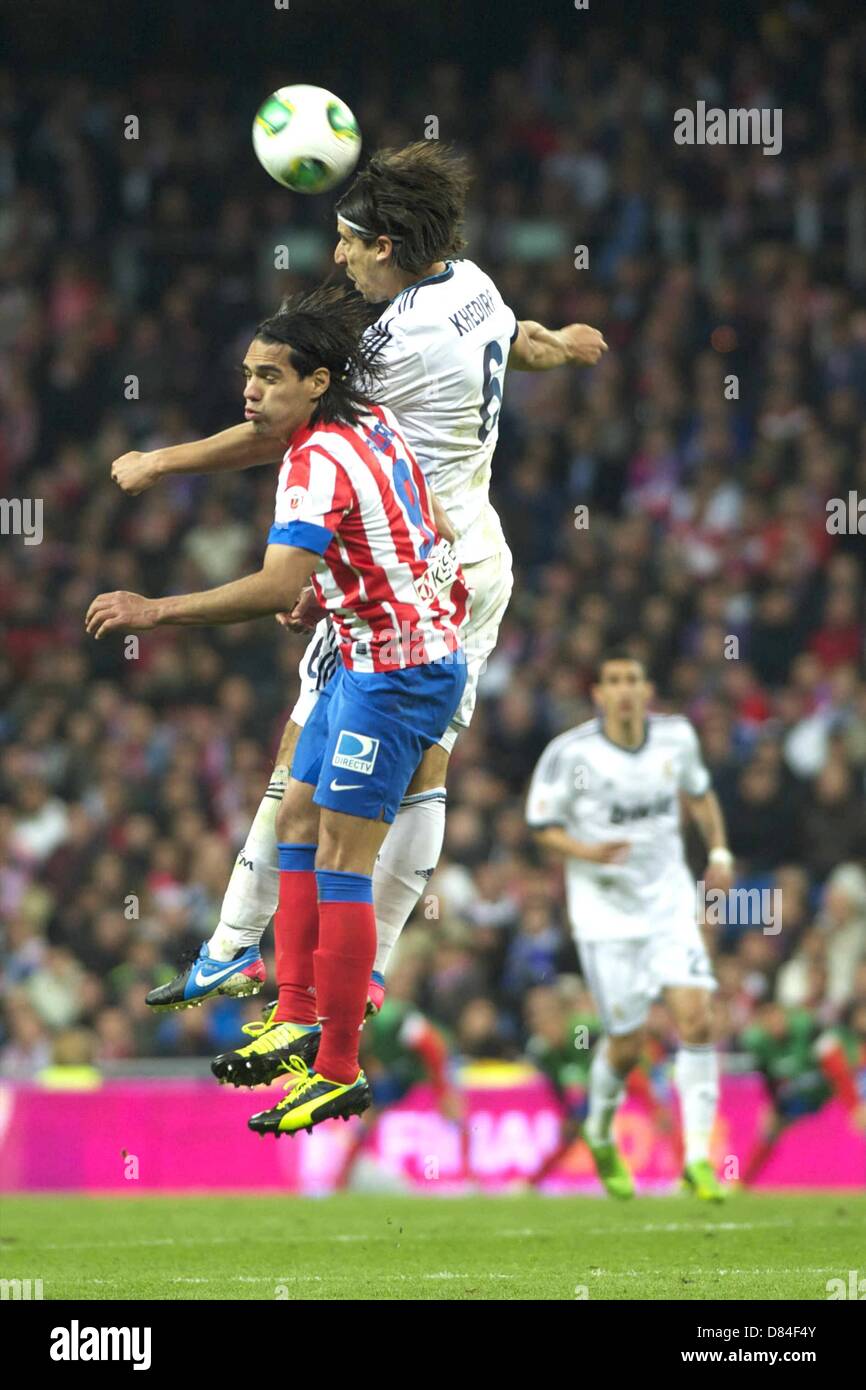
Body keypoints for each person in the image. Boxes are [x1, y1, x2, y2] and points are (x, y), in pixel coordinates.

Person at [110, 142, 607, 1055]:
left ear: (385, 244)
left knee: (305, 770)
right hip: (477, 563)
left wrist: (161, 460)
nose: (335, 257)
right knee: (428, 766)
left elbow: (279, 429)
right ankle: (356, 966)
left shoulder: (390, 344)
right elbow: (516, 338)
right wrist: (564, 349)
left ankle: (240, 952)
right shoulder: (473, 285)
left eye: (346, 241)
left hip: (403, 577)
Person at [87, 286, 468, 1134]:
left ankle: (337, 1067)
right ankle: (295, 1009)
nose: (251, 391)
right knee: (294, 814)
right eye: (247, 374)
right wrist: (343, 585)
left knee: (341, 855)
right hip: (368, 651)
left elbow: (272, 588)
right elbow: (431, 521)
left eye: (269, 377)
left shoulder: (315, 460)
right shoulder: (368, 419)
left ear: (315, 381)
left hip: (399, 672)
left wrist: (156, 611)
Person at [525, 651, 733, 1201]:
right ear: (597, 693)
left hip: (668, 906)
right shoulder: (570, 754)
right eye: (612, 681)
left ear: (647, 690)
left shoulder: (677, 739)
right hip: (606, 915)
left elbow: (699, 792)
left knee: (697, 1020)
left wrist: (719, 850)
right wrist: (588, 851)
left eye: (632, 680)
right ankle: (597, 1132)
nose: (623, 690)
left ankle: (697, 1159)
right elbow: (542, 826)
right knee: (626, 1043)